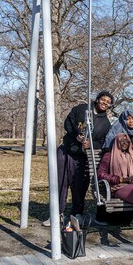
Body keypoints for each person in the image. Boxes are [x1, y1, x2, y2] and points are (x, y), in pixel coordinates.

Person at [48, 91, 114, 226]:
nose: (105, 103)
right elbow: (68, 122)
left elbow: (102, 142)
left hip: (83, 156)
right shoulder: (81, 109)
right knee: (59, 182)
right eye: (103, 100)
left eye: (108, 102)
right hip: (66, 150)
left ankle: (76, 214)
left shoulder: (106, 123)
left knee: (79, 186)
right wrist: (76, 135)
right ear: (97, 99)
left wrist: (91, 144)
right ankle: (57, 214)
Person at [97, 133, 133, 248]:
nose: (124, 143)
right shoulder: (109, 155)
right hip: (119, 188)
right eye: (121, 141)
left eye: (126, 141)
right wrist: (121, 179)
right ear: (116, 142)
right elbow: (101, 175)